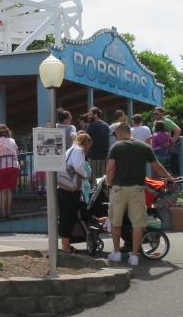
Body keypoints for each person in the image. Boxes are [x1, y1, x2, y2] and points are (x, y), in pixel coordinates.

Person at [106, 122, 176, 266]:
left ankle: (116, 253)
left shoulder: (116, 147)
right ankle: (134, 256)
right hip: (137, 189)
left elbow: (109, 169)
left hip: (119, 188)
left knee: (115, 222)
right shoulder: (144, 147)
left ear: (119, 133)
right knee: (138, 223)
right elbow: (156, 166)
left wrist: (109, 185)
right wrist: (168, 176)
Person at [57, 133, 92, 254]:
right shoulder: (79, 150)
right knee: (69, 217)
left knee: (63, 216)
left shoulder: (70, 149)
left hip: (61, 186)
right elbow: (77, 166)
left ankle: (65, 244)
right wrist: (86, 175)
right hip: (71, 190)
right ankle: (66, 247)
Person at [0, 125, 19, 217]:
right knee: (9, 190)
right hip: (13, 166)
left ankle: (2, 212)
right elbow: (16, 150)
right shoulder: (12, 140)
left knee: (2, 190)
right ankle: (8, 211)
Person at [82, 107, 111, 179]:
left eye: (90, 114)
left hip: (93, 156)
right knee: (103, 179)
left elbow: (85, 138)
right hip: (105, 156)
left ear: (95, 115)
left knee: (92, 179)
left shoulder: (92, 125)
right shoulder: (106, 125)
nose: (88, 116)